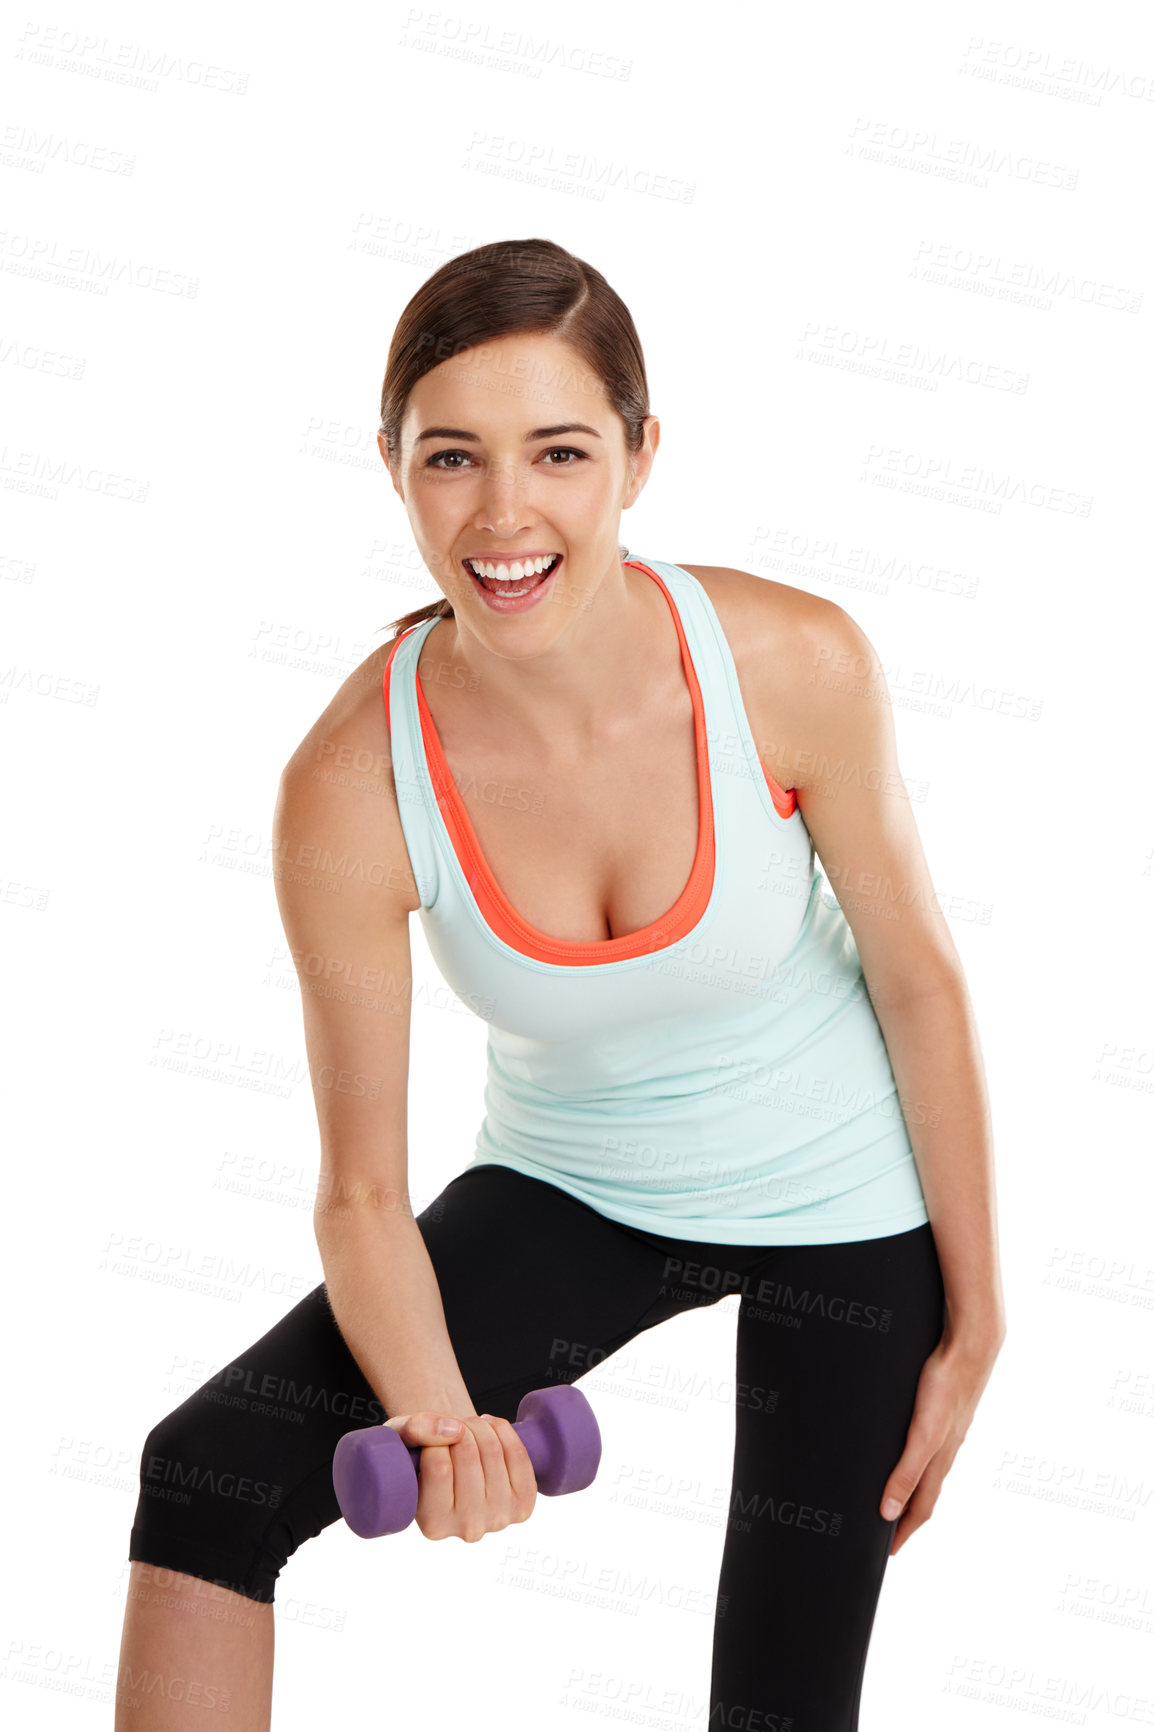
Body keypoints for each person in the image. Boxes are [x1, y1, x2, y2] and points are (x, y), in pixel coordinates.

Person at [116, 237, 1006, 1731]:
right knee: (202, 1483)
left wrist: (973, 1322)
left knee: (781, 1704)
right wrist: (432, 1410)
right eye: (452, 457)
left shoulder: (791, 661)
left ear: (641, 459)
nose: (505, 513)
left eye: (562, 452)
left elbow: (917, 980)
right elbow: (359, 1195)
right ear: (392, 464)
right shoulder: (350, 786)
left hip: (850, 1206)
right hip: (576, 1189)